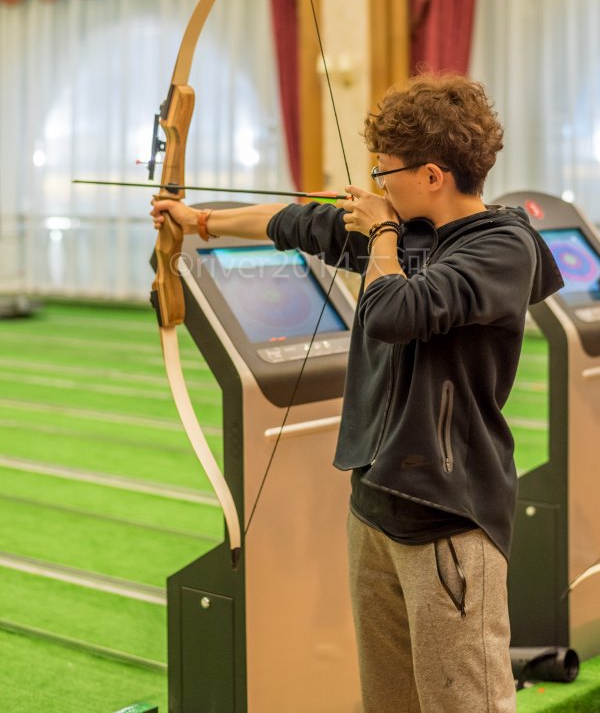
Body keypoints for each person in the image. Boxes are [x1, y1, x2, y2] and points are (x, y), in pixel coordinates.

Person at [151, 73, 563, 713]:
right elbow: (297, 222)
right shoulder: (407, 232)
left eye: (386, 168)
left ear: (431, 174)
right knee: (388, 699)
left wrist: (381, 233)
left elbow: (395, 312)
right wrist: (197, 220)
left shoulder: (500, 246)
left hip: (450, 517)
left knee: (465, 701)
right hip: (375, 508)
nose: (377, 179)